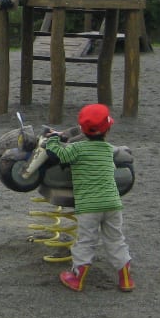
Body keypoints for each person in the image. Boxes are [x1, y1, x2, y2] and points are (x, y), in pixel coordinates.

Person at [44, 103, 134, 292]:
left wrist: (52, 139)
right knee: (116, 239)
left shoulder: (77, 149)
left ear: (82, 129)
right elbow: (121, 152)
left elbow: (59, 153)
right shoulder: (109, 149)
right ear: (108, 129)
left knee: (86, 240)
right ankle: (126, 279)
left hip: (89, 206)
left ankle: (77, 278)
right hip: (112, 203)